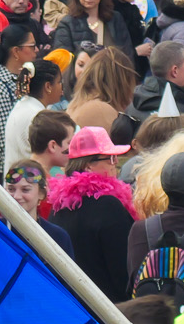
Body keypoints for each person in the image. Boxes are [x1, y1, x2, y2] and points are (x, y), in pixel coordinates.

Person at [45, 123, 136, 302]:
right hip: (110, 310)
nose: (116, 162)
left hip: (72, 306)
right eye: (109, 158)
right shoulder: (109, 206)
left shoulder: (59, 206)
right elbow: (124, 273)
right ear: (87, 166)